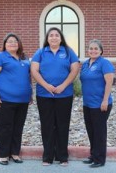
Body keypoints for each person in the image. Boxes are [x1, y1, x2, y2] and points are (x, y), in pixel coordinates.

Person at [31, 27, 80, 166]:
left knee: (62, 125)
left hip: (64, 95)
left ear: (61, 38)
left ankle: (62, 156)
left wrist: (63, 86)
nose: (53, 37)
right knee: (47, 125)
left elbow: (75, 69)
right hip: (44, 95)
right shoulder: (40, 52)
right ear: (47, 38)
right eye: (51, 35)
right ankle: (47, 157)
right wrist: (46, 86)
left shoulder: (68, 52)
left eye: (56, 35)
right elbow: (34, 70)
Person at [0, 33, 32, 165]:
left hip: (22, 101)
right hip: (3, 100)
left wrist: (29, 94)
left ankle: (15, 153)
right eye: (9, 41)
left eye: (15, 41)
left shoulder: (24, 58)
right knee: (4, 127)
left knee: (18, 127)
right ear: (5, 44)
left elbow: (27, 77)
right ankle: (3, 155)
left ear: (19, 44)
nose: (13, 43)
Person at [79, 39, 115, 168]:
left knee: (99, 132)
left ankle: (100, 159)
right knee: (91, 131)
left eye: (96, 48)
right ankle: (93, 155)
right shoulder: (85, 64)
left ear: (101, 51)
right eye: (91, 48)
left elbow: (109, 82)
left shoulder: (104, 63)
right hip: (88, 104)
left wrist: (105, 100)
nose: (93, 51)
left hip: (100, 104)